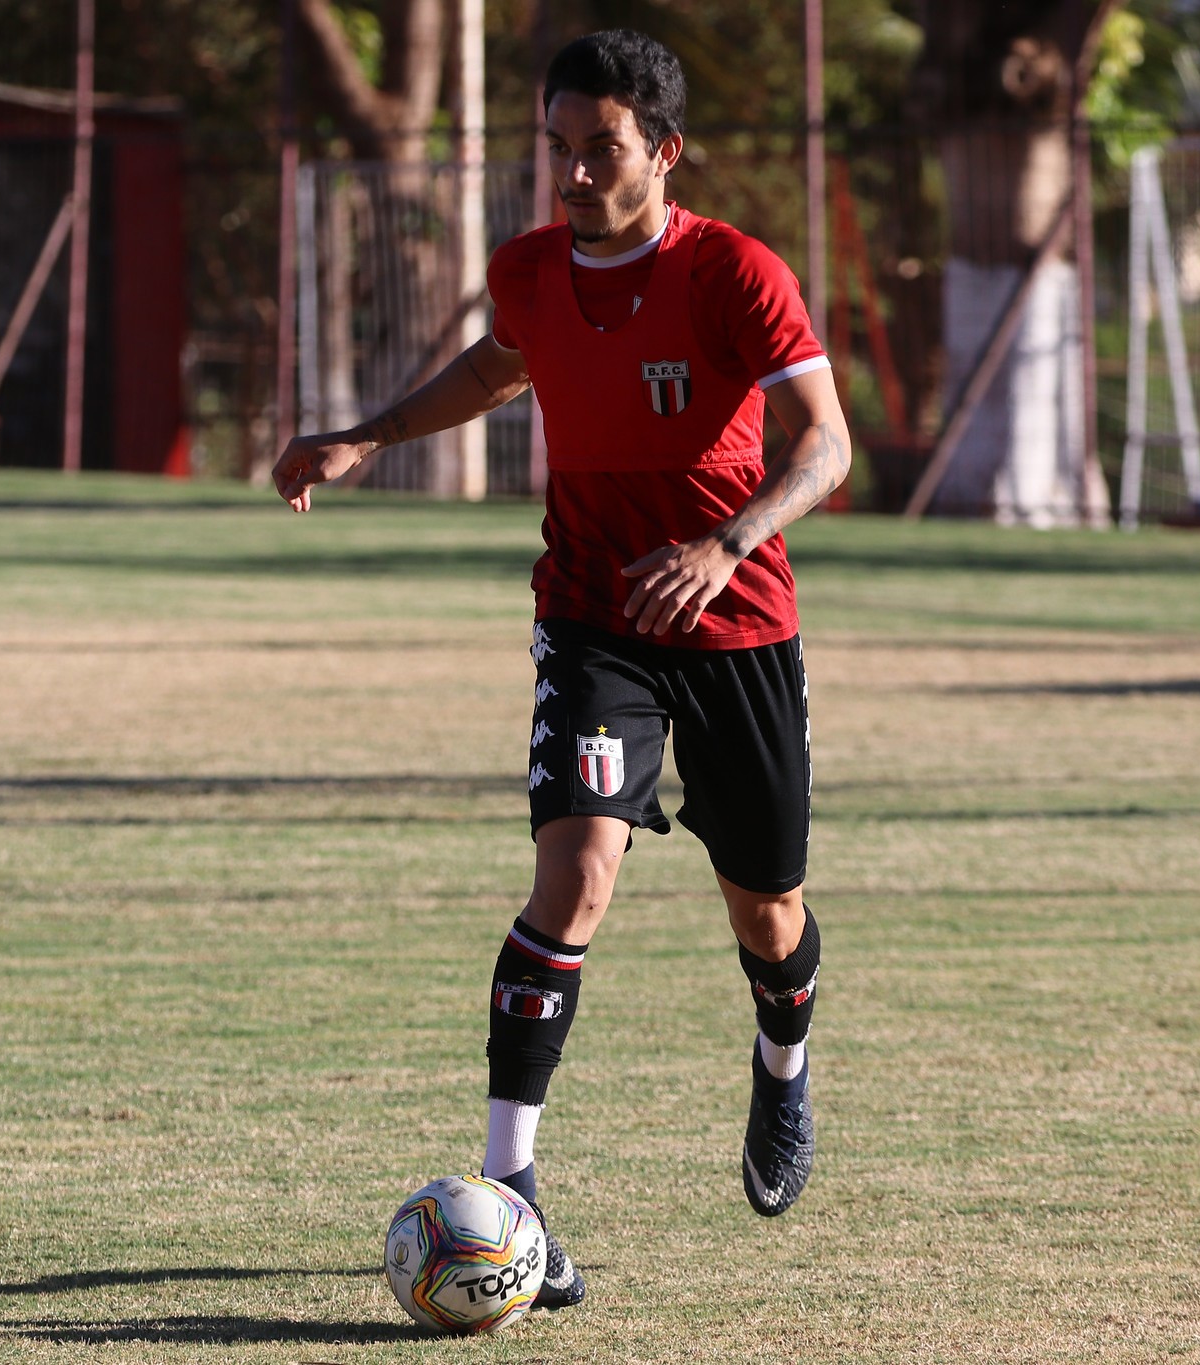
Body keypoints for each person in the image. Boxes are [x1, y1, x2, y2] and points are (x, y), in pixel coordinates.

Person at [274, 28, 848, 1312]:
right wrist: (367, 436)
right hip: (592, 617)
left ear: (663, 152)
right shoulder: (528, 270)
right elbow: (499, 366)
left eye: (602, 152)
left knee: (766, 911)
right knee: (575, 875)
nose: (576, 176)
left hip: (737, 622)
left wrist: (725, 538)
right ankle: (512, 1188)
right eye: (560, 151)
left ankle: (782, 1061)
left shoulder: (733, 273)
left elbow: (826, 448)